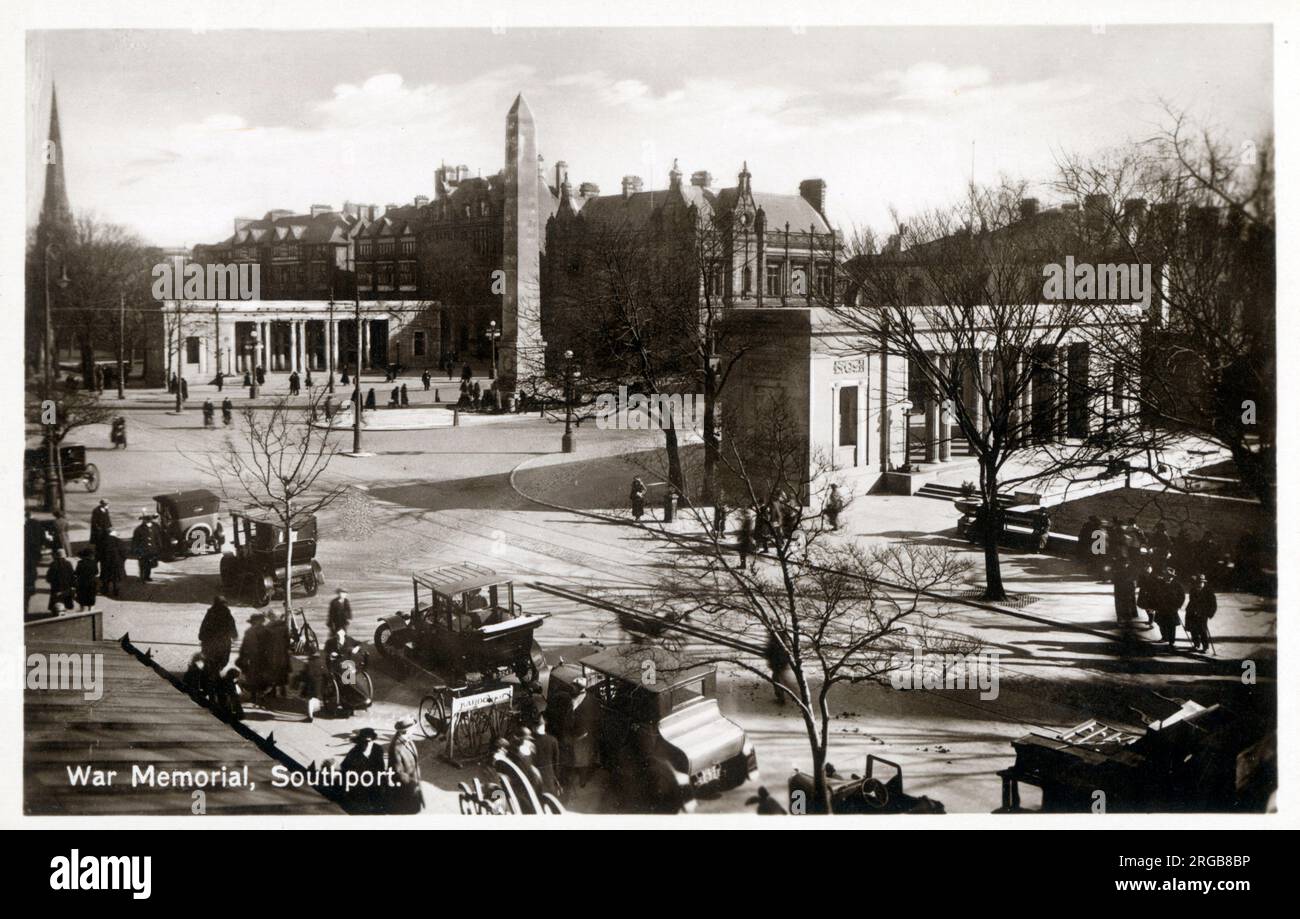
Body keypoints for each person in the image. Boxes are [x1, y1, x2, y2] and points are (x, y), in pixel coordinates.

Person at [339, 727, 388, 814]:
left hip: (375, 787)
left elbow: (381, 768)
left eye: (368, 741)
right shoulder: (354, 752)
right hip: (359, 789)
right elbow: (344, 768)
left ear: (373, 740)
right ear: (360, 741)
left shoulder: (377, 750)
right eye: (363, 741)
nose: (366, 744)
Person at [567, 677, 600, 788]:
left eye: (574, 687)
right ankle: (579, 776)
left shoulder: (591, 700)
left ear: (580, 688)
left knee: (583, 757)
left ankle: (583, 779)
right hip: (574, 731)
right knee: (577, 756)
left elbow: (596, 717)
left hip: (585, 733)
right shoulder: (571, 699)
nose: (572, 689)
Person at [388, 717, 423, 813]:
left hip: (413, 785)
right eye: (413, 728)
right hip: (406, 790)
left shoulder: (408, 740)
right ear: (406, 731)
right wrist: (412, 784)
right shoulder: (396, 747)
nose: (415, 730)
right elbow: (398, 772)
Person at [199, 595, 238, 674]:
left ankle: (211, 672)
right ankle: (215, 671)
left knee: (211, 658)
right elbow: (231, 625)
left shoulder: (210, 613)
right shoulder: (226, 613)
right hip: (222, 642)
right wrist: (234, 635)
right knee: (222, 659)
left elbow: (204, 625)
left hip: (211, 641)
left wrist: (202, 636)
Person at [1152, 568, 1186, 650]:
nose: (1169, 577)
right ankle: (1164, 637)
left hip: (1171, 609)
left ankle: (1171, 641)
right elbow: (1155, 595)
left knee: (1171, 625)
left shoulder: (1177, 585)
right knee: (1160, 623)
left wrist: (1178, 606)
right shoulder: (1160, 583)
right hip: (1161, 608)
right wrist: (1155, 606)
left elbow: (1182, 596)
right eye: (1167, 576)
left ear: (1173, 577)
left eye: (1170, 576)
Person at [1184, 573, 1217, 653]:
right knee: (1193, 630)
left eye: (1201, 582)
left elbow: (1213, 604)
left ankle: (1205, 647)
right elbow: (1191, 601)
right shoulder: (1193, 590)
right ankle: (1196, 645)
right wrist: (1189, 610)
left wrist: (1209, 614)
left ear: (1204, 583)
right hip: (1192, 613)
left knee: (1202, 630)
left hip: (1202, 614)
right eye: (1197, 582)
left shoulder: (1208, 592)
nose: (1198, 584)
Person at [532, 716, 563, 799]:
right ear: (544, 725)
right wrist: (556, 776)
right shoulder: (553, 740)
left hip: (536, 776)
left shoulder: (531, 742)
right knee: (551, 799)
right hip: (549, 775)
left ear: (534, 728)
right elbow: (556, 761)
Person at [766, 632, 797, 705]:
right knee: (783, 681)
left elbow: (770, 653)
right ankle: (793, 696)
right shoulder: (782, 642)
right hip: (780, 665)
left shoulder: (775, 642)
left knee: (777, 681)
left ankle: (782, 699)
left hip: (777, 665)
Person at [132, 513, 161, 582]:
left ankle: (147, 576)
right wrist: (136, 550)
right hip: (143, 550)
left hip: (152, 549)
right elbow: (135, 541)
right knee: (142, 564)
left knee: (149, 564)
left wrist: (159, 548)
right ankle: (142, 577)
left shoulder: (155, 527)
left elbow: (158, 538)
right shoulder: (139, 529)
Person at [1111, 559, 1137, 624]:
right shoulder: (1119, 571)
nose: (1125, 565)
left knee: (1125, 605)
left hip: (1125, 590)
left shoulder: (1125, 570)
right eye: (1124, 563)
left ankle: (1125, 618)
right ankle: (1123, 618)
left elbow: (1133, 580)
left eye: (1126, 564)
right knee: (1123, 605)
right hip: (1121, 590)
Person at [1136, 563, 1158, 629]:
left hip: (1151, 594)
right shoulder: (1142, 575)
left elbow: (1156, 585)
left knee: (1151, 608)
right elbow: (1139, 584)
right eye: (1146, 567)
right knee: (1146, 607)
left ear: (1151, 568)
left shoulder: (1154, 576)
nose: (1148, 569)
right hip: (1144, 593)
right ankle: (1150, 619)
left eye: (1149, 568)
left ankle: (1151, 621)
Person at [737, 505, 756, 571]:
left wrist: (742, 537)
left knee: (744, 552)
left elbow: (747, 531)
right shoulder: (748, 520)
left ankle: (745, 565)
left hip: (747, 539)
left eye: (745, 514)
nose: (744, 515)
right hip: (747, 539)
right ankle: (747, 565)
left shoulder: (748, 521)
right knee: (745, 552)